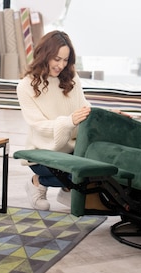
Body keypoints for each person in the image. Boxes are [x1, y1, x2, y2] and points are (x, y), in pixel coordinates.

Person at [16, 30, 91, 211]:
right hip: (44, 153)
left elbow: (85, 110)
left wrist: (109, 115)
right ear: (44, 55)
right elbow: (39, 126)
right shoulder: (26, 86)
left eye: (65, 60)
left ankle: (67, 188)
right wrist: (68, 122)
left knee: (94, 169)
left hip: (73, 150)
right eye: (57, 59)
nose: (61, 65)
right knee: (76, 173)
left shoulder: (72, 79)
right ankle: (38, 182)